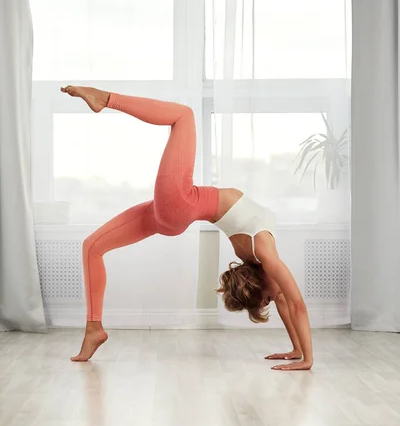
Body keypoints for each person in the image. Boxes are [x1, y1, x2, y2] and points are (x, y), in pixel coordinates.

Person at [60, 86, 313, 370]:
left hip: (180, 203)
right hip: (172, 211)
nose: (275, 296)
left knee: (184, 116)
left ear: (260, 280)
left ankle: (106, 99)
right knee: (92, 247)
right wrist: (297, 351)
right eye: (268, 298)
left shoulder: (263, 254)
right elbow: (289, 303)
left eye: (266, 296)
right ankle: (94, 329)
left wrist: (306, 358)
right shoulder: (260, 255)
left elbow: (293, 304)